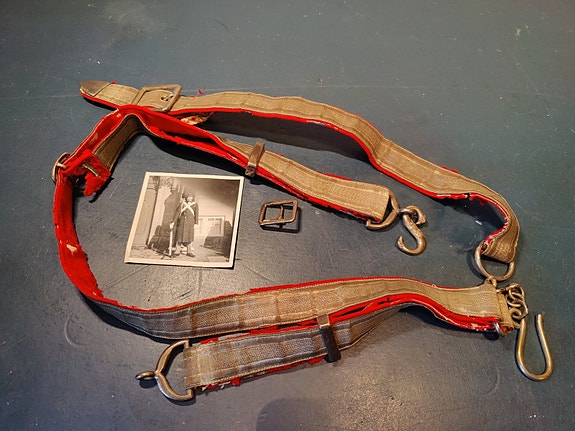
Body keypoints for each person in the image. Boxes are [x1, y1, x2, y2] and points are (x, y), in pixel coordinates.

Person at [170, 193, 199, 257]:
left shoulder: (195, 204)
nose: (189, 198)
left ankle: (189, 251)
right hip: (182, 222)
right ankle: (177, 251)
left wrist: (196, 223)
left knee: (189, 237)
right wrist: (173, 222)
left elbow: (196, 214)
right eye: (188, 196)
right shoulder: (182, 204)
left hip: (190, 223)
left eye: (191, 197)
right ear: (186, 197)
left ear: (193, 198)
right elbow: (177, 213)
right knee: (179, 237)